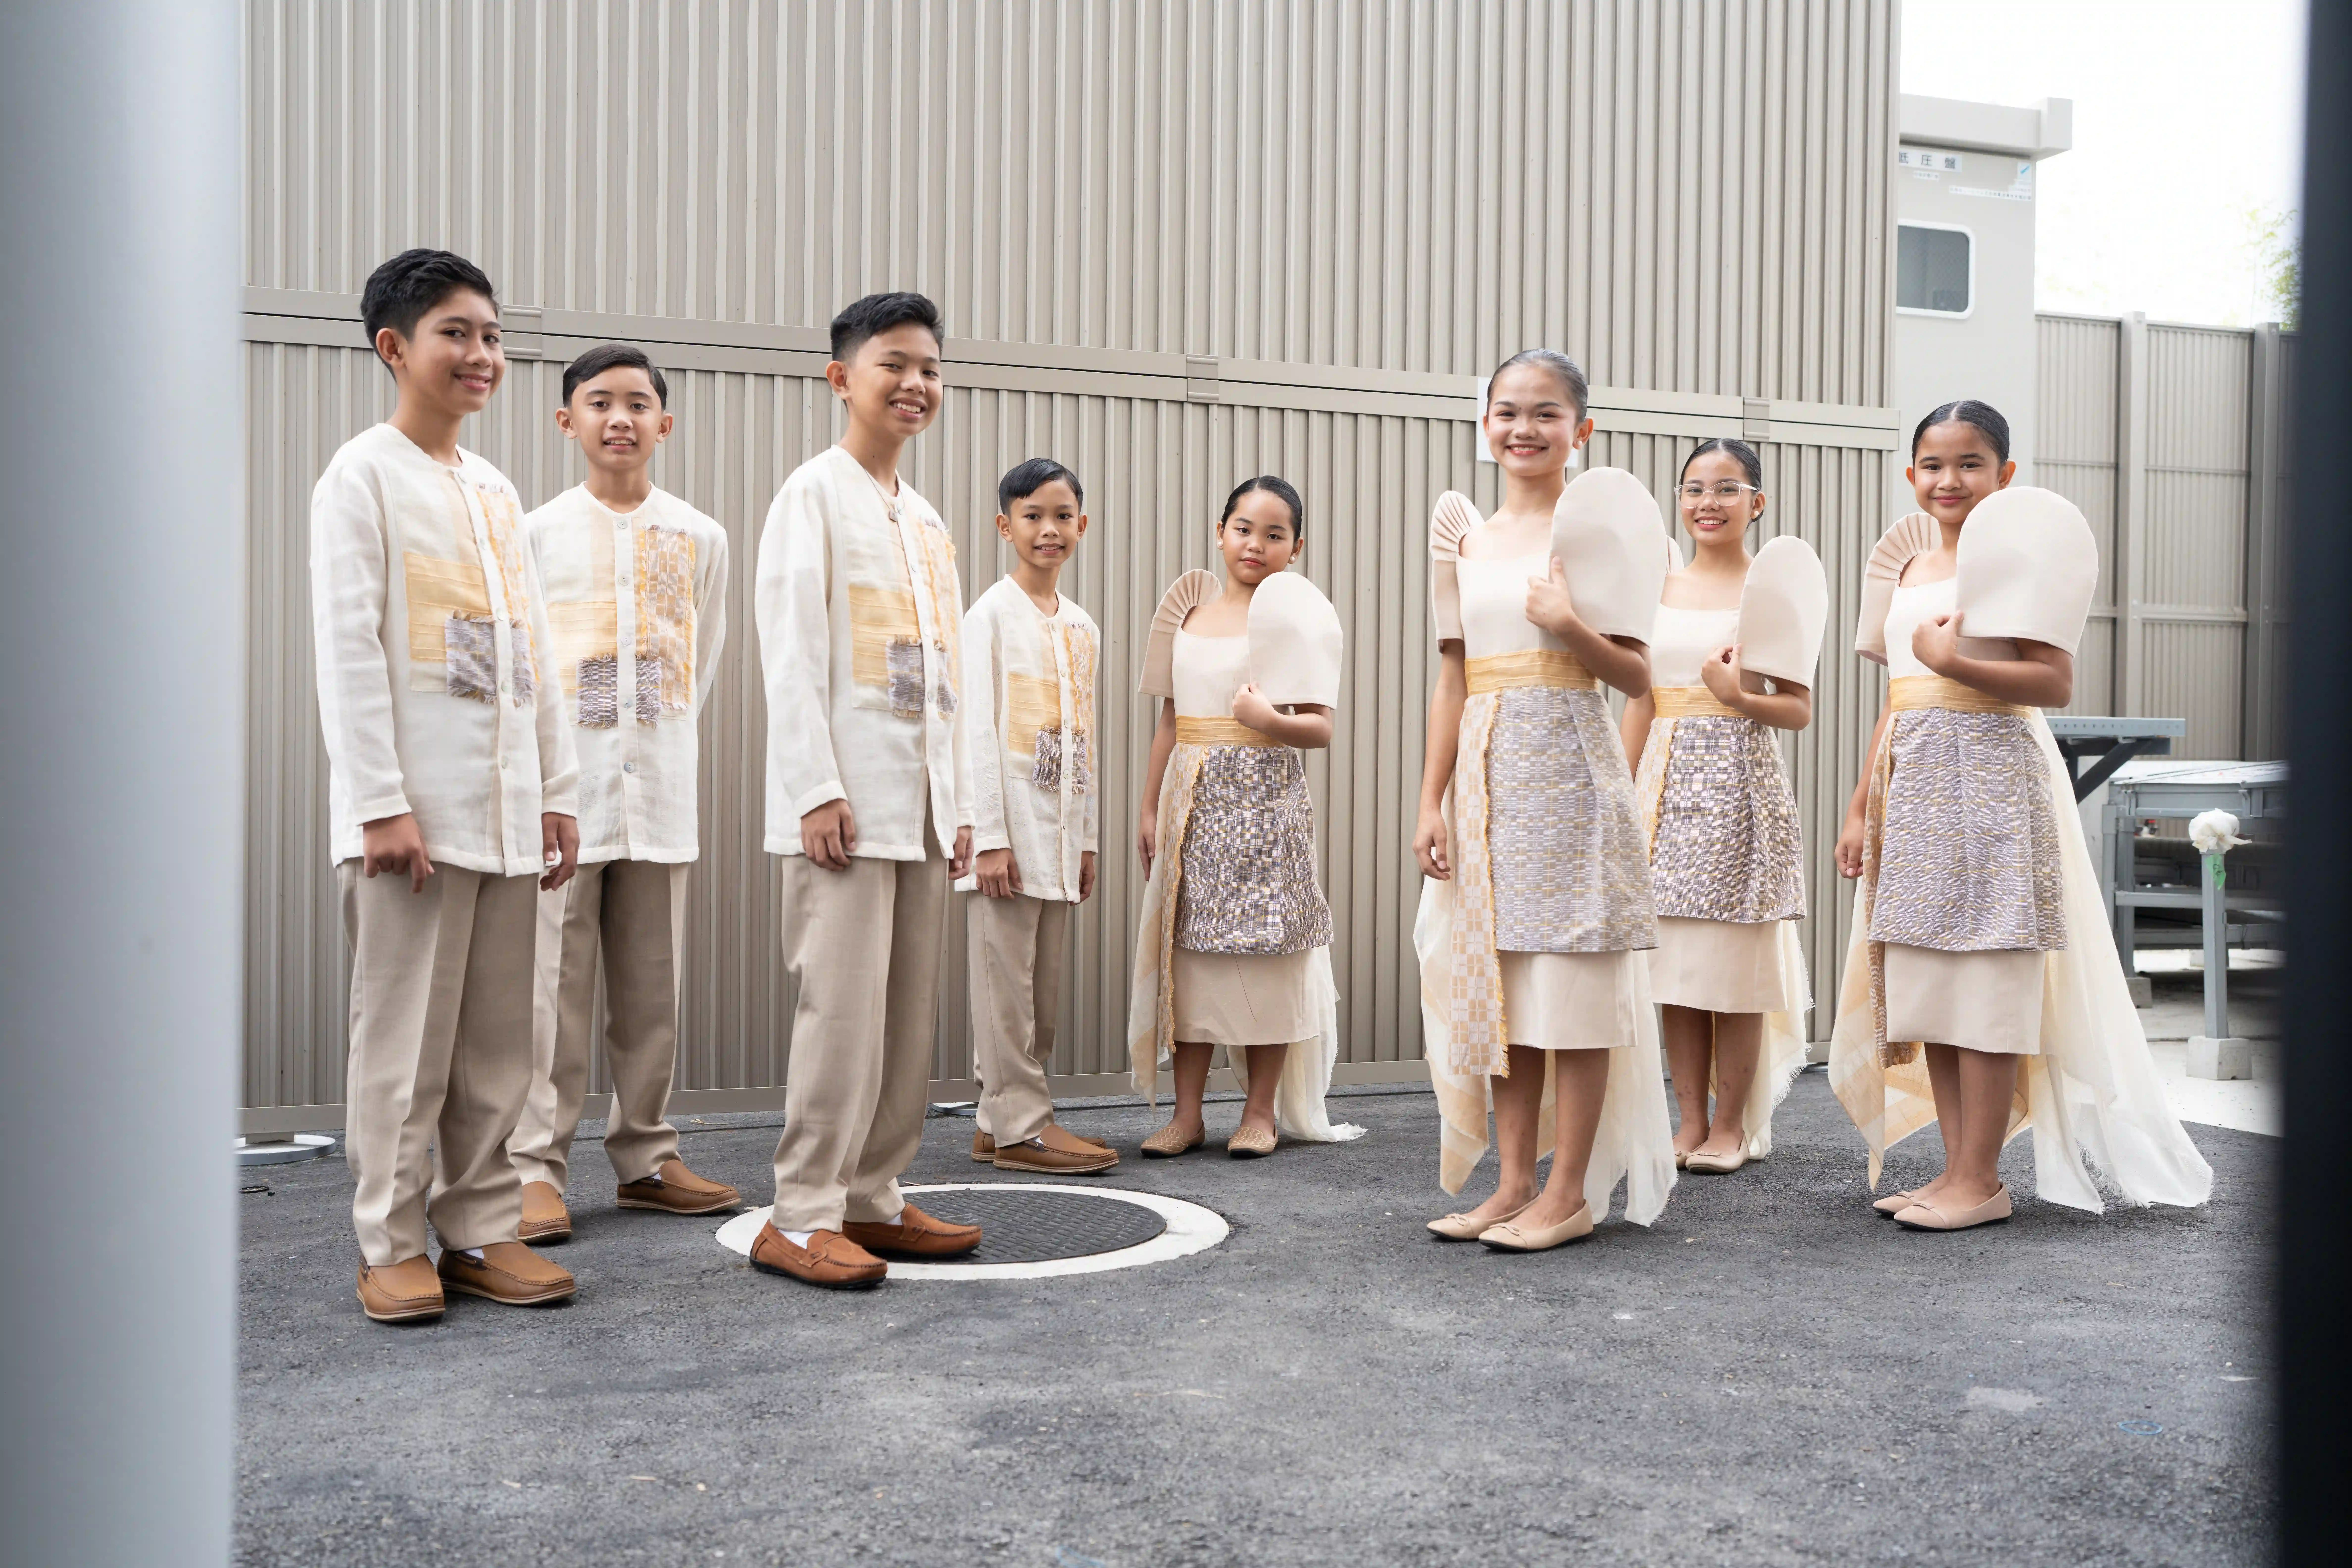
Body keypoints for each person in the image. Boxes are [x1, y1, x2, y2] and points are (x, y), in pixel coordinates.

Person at [1829, 400, 2214, 1229]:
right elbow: (1897, 698)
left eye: (1970, 463)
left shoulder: (2023, 557)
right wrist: (1861, 805)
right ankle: (1953, 1172)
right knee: (1929, 981)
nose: (1949, 480)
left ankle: (1981, 1178)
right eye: (1933, 464)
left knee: (1990, 976)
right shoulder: (1905, 571)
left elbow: (2053, 682)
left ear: (2005, 474)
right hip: (1914, 782)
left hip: (1993, 776)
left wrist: (1954, 660)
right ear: (1911, 475)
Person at [311, 248, 581, 1323]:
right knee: (405, 1044)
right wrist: (378, 800)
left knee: (496, 1047)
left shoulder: (498, 490)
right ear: (396, 349)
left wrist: (556, 790)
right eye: (456, 334)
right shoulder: (362, 475)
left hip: (509, 815)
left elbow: (533, 654)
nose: (482, 356)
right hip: (412, 820)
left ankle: (480, 1228)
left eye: (493, 337)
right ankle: (389, 1238)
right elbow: (348, 651)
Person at [1412, 349, 1676, 1252]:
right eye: (1507, 411)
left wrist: (1569, 625)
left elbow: (1641, 675)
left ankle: (1569, 1191)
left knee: (1571, 983)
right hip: (1487, 778)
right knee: (1506, 990)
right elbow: (1453, 678)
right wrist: (1429, 800)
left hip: (1570, 766)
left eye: (1546, 413)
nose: (1524, 428)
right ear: (1483, 421)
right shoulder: (1466, 539)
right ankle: (1513, 1181)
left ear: (1582, 429)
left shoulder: (1598, 529)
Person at [748, 291, 981, 1289]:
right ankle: (801, 1212)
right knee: (839, 1013)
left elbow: (952, 677)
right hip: (844, 803)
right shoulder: (814, 494)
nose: (916, 384)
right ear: (842, 378)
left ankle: (872, 1197)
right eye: (895, 364)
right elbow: (790, 651)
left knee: (904, 1015)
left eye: (929, 367)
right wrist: (813, 787)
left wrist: (963, 805)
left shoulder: (925, 519)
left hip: (922, 807)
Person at [507, 344, 739, 1243]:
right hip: (564, 796)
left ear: (664, 424)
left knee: (654, 989)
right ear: (567, 422)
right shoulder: (534, 534)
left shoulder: (701, 537)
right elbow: (524, 670)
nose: (620, 419)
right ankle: (533, 1167)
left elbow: (702, 659)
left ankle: (646, 1154)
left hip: (662, 792)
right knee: (550, 991)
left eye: (638, 404)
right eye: (598, 403)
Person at [1127, 478, 1365, 1158]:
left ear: (1297, 546)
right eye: (1243, 528)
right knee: (1191, 958)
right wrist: (1149, 809)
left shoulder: (1296, 618)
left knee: (1269, 957)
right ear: (1220, 530)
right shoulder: (1189, 613)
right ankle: (1187, 1114)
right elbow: (1170, 722)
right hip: (1192, 806)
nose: (1255, 544)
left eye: (1273, 533)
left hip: (1264, 804)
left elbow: (1320, 729)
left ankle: (1260, 1112)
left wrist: (1268, 720)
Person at [1620, 440, 1817, 1175]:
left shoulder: (1771, 592)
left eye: (1727, 489)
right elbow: (1641, 700)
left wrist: (1739, 697)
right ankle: (1690, 1120)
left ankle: (1731, 1126)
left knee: (1732, 971)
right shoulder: (1657, 588)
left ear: (1756, 504)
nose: (1708, 502)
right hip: (1663, 792)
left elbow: (1797, 710)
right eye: (1695, 489)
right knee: (1674, 971)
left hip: (1737, 786)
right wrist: (1622, 793)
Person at [959, 458, 1116, 1174]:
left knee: (1039, 995)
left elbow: (1083, 740)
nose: (1048, 530)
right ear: (1006, 527)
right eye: (1032, 516)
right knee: (1005, 993)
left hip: (1057, 839)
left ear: (1082, 526)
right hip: (1009, 839)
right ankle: (1023, 1126)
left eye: (1062, 516)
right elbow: (974, 732)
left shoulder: (1082, 626)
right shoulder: (988, 617)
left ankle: (1002, 1121)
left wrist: (1085, 840)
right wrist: (989, 840)